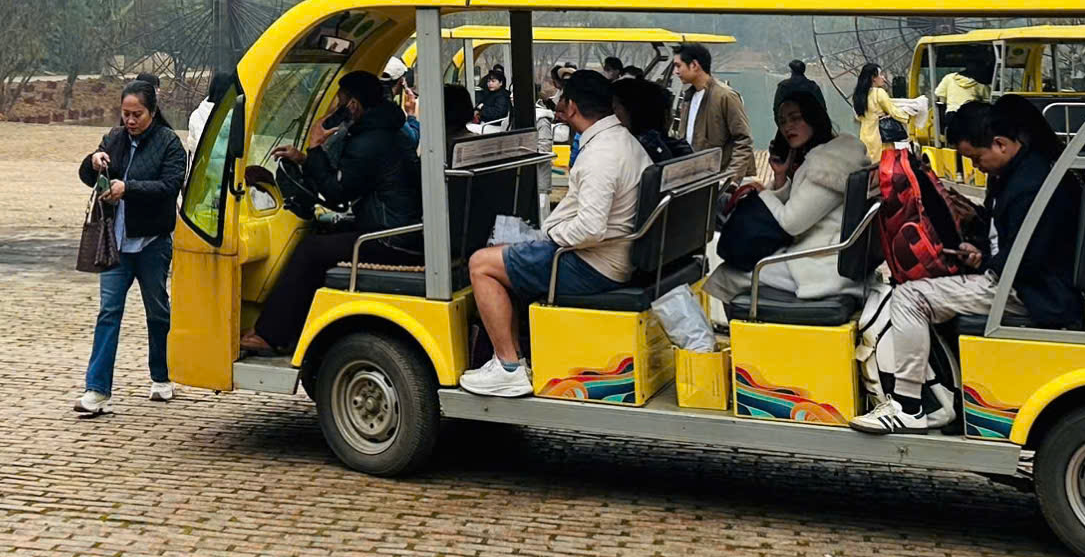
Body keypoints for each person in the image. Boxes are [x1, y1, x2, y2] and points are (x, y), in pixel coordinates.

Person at [853, 95, 1082, 433]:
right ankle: (945, 394)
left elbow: (1026, 260)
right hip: (1023, 280)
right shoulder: (1022, 172)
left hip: (1030, 292)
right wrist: (978, 253)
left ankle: (907, 406)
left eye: (976, 158)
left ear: (1000, 144)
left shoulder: (1031, 187)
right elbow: (1014, 244)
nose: (976, 167)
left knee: (908, 297)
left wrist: (985, 263)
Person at [459, 71, 659, 398]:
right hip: (612, 256)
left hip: (593, 266)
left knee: (481, 263)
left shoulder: (600, 156)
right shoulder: (624, 142)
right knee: (504, 254)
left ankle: (508, 366)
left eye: (562, 98)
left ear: (572, 107)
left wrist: (550, 236)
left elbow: (591, 228)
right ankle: (514, 356)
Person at [237, 72, 424, 358]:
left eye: (340, 101)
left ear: (352, 106)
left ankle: (270, 335)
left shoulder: (368, 141)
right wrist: (305, 159)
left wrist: (314, 146)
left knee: (311, 249)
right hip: (401, 228)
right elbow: (351, 178)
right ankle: (291, 327)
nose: (336, 107)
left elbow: (336, 192)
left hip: (389, 237)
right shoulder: (387, 130)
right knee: (324, 238)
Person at [74, 77, 191, 416]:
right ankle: (96, 390)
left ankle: (161, 375)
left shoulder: (169, 143)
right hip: (115, 244)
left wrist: (129, 188)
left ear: (152, 111)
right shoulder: (113, 139)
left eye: (137, 113)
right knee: (108, 312)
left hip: (152, 243)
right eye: (125, 113)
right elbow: (88, 176)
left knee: (157, 311)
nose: (130, 120)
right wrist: (92, 162)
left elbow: (170, 186)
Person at [702, 77, 869, 312]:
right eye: (782, 122)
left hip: (820, 268)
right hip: (824, 257)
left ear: (814, 117)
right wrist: (780, 177)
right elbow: (801, 203)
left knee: (727, 274)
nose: (787, 127)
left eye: (795, 118)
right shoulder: (835, 154)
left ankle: (746, 341)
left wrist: (763, 194)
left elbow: (791, 223)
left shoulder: (825, 166)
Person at [670, 43, 756, 184]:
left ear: (694, 65)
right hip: (695, 180)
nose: (675, 72)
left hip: (719, 182)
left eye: (678, 66)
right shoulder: (688, 97)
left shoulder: (725, 96)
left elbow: (743, 140)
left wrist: (731, 180)